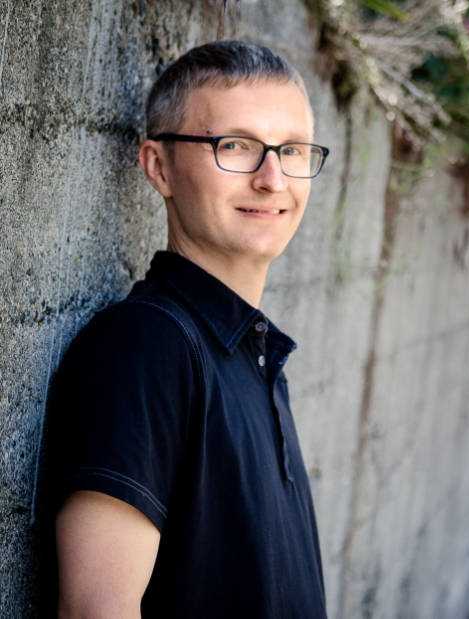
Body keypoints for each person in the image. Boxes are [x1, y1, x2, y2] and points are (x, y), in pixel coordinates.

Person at [43, 39, 330, 618]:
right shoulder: (147, 348)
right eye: (237, 146)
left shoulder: (250, 352)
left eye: (293, 150)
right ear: (159, 166)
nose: (273, 179)